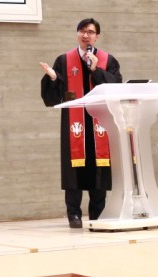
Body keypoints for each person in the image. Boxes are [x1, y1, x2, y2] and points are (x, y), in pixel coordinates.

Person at [40, 18, 123, 227]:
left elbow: (116, 86)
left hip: (99, 122)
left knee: (98, 167)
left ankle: (98, 213)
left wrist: (96, 70)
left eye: (90, 32)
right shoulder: (64, 60)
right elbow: (54, 94)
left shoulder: (107, 60)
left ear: (97, 36)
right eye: (82, 31)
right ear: (77, 34)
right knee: (74, 169)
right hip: (74, 123)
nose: (86, 35)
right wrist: (53, 78)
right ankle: (74, 215)